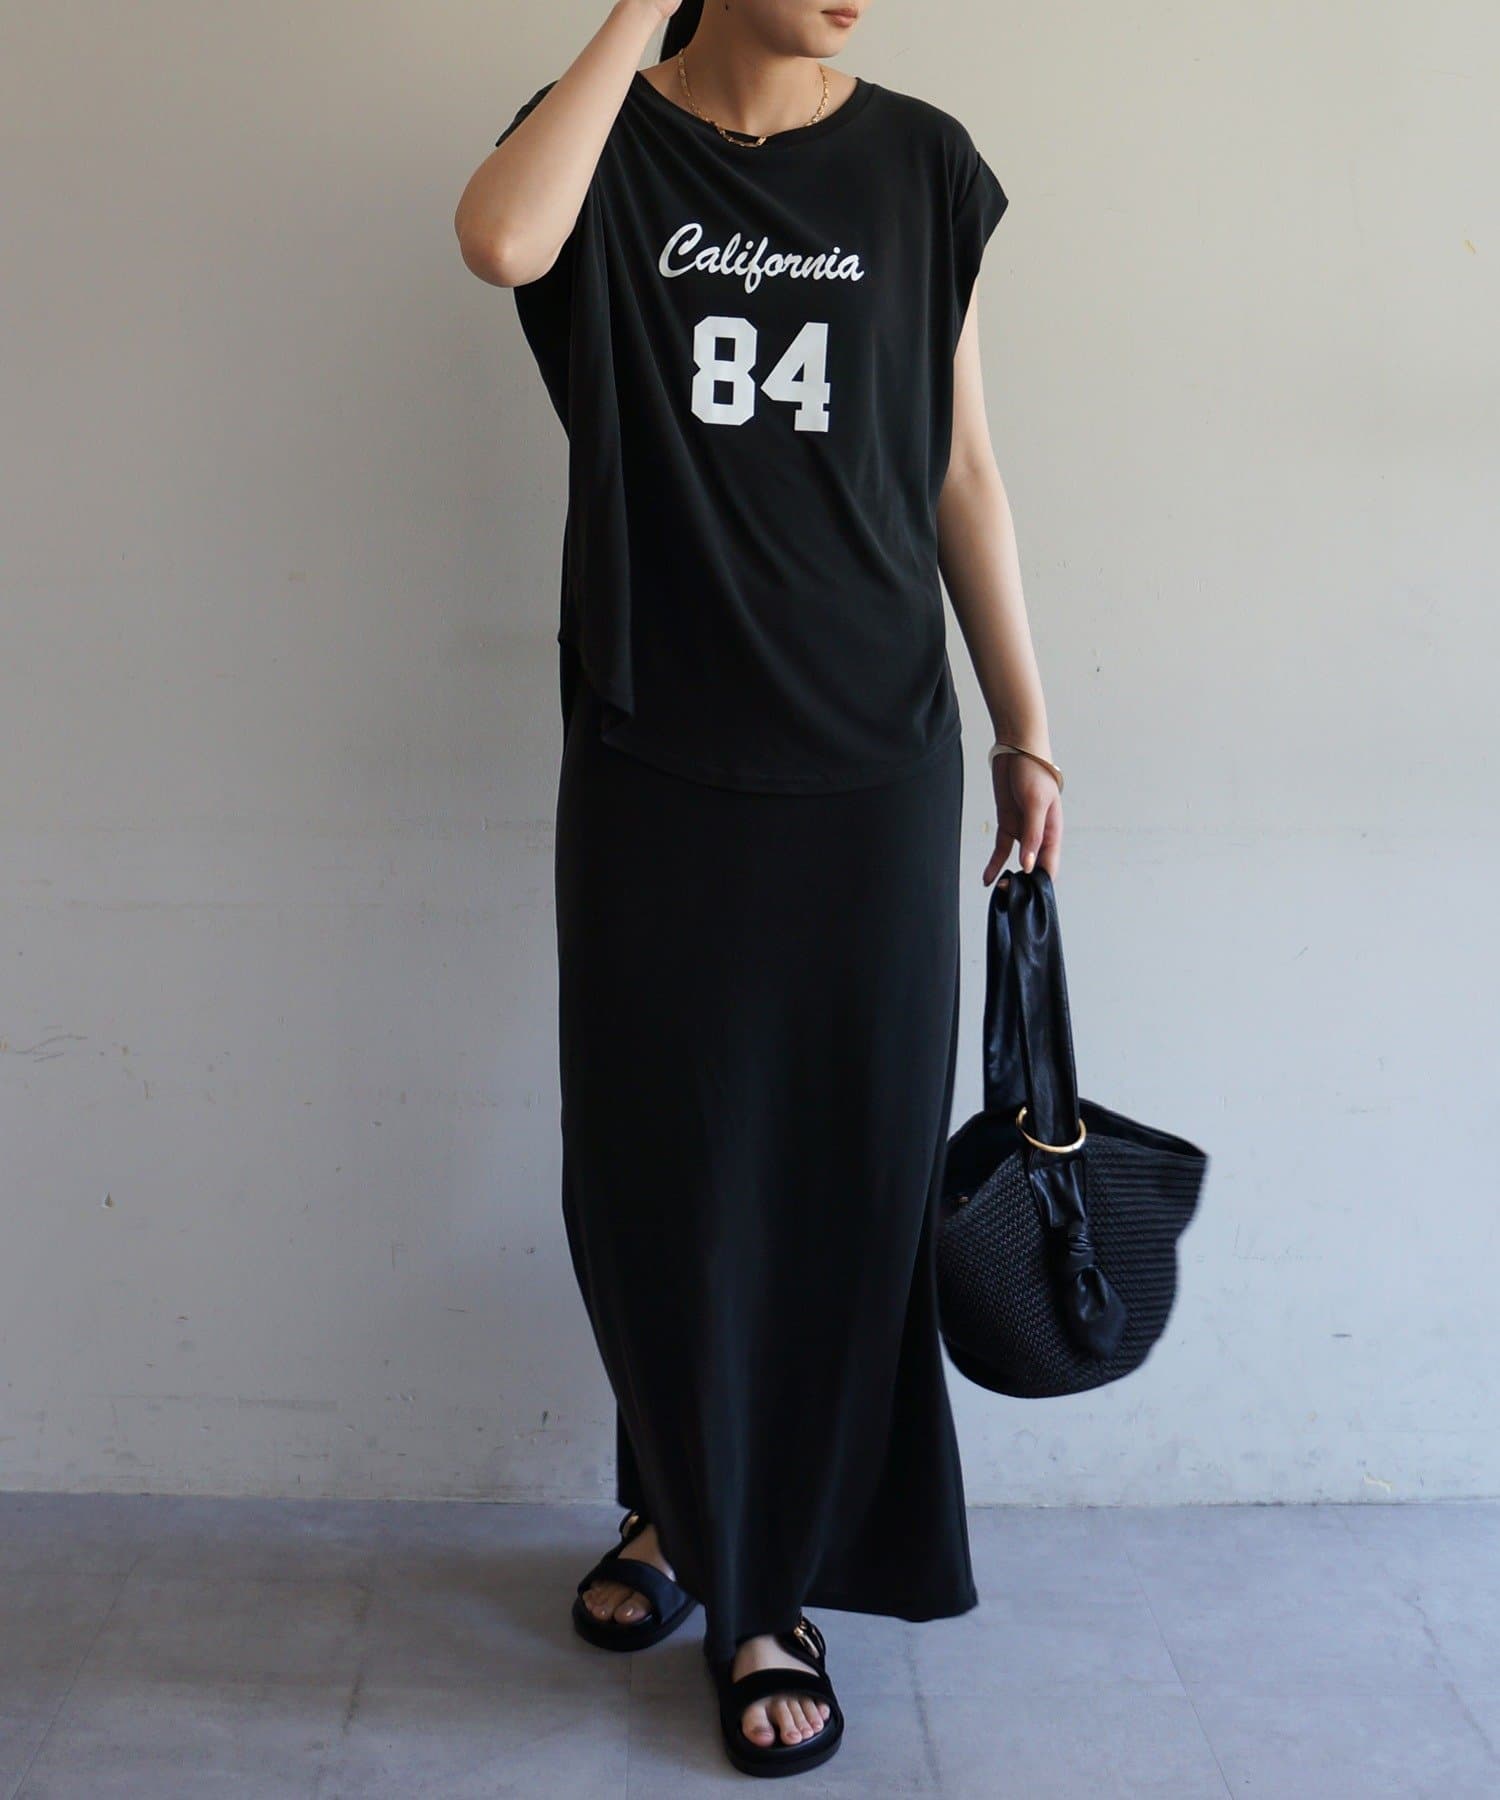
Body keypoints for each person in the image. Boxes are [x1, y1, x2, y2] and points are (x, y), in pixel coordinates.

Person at [454, 0, 1063, 1777]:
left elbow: (957, 462)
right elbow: (500, 243)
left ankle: (770, 1588)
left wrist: (1028, 726)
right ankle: (677, 1501)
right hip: (656, 750)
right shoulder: (601, 140)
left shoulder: (922, 163)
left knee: (840, 1184)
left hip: (874, 762)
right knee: (656, 1170)